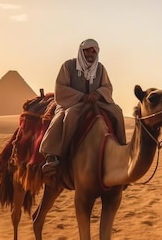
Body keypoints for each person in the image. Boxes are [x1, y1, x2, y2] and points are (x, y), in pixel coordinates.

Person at [39, 38, 126, 175]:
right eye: (87, 51)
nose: (91, 54)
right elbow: (61, 88)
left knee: (117, 111)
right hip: (72, 103)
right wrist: (81, 96)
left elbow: (107, 86)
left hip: (96, 102)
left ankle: (122, 150)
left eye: (94, 51)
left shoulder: (100, 68)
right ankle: (55, 155)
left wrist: (98, 93)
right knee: (67, 116)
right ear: (81, 51)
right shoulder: (68, 66)